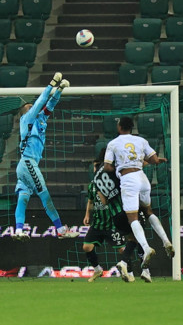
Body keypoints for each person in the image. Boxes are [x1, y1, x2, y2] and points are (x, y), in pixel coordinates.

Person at [12, 72, 79, 241]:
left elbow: (50, 104)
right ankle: (61, 229)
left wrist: (59, 90)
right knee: (45, 196)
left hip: (25, 165)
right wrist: (52, 84)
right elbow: (41, 101)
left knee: (23, 199)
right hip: (28, 162)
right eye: (31, 106)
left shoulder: (40, 119)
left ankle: (19, 230)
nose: (34, 107)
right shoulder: (26, 119)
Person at [103, 116, 174, 268]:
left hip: (129, 180)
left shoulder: (113, 143)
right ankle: (166, 241)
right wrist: (157, 160)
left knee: (132, 218)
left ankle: (146, 248)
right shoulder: (141, 140)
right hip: (143, 179)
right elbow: (154, 159)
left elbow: (107, 167)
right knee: (148, 211)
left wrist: (119, 168)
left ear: (120, 127)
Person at [85, 149, 146, 283]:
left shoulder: (98, 178)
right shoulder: (108, 174)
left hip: (112, 220)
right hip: (108, 218)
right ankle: (119, 267)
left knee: (125, 245)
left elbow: (104, 200)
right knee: (134, 237)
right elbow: (91, 200)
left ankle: (129, 271)